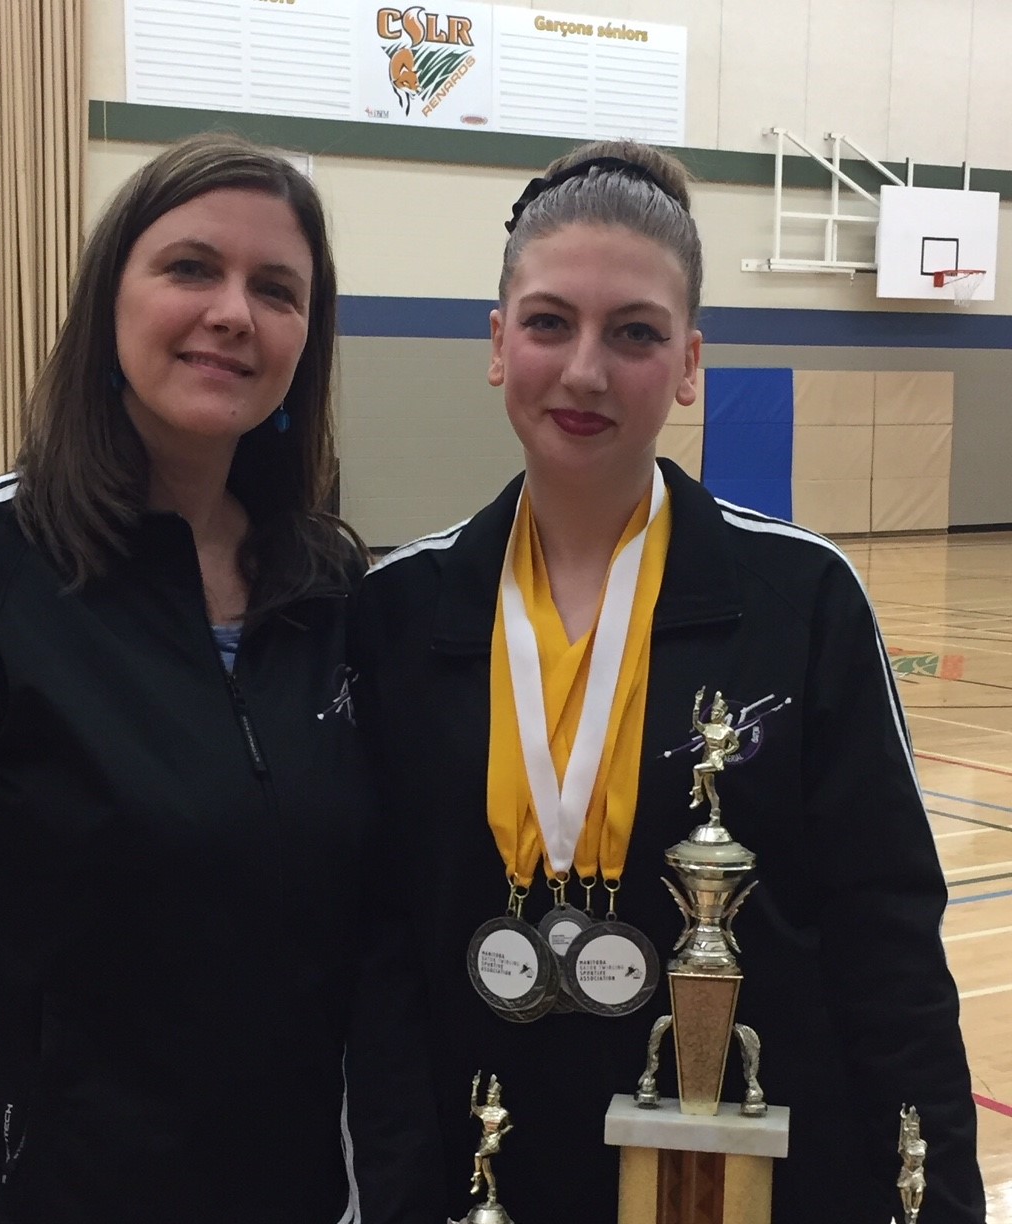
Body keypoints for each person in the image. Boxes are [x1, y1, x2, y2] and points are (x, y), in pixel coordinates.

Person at [351, 140, 985, 1222]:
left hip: (746, 1179)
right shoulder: (400, 613)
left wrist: (938, 1205)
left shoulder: (800, 600)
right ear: (497, 345)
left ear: (689, 362)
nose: (586, 370)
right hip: (488, 1172)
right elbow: (382, 959)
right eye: (548, 323)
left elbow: (885, 944)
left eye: (634, 333)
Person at [0, 133, 436, 1224]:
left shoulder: (333, 584)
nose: (233, 312)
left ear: (307, 338)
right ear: (110, 300)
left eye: (275, 288)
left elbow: (374, 943)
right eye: (191, 268)